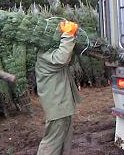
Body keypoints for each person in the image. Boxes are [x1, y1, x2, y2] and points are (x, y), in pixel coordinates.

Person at [35, 20, 81, 155]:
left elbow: (68, 60)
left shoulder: (51, 51)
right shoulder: (44, 54)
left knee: (64, 141)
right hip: (57, 106)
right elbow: (61, 58)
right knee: (52, 142)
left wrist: (72, 37)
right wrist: (67, 35)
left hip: (63, 105)